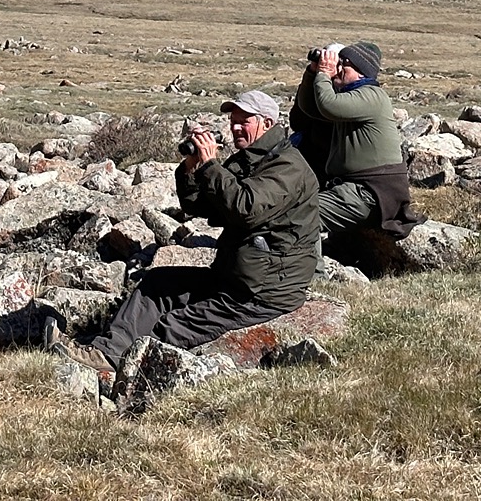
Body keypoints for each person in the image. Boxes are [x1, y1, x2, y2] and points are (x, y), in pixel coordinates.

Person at [66, 88, 320, 376]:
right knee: (157, 285)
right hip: (237, 276)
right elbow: (202, 206)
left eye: (244, 120)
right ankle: (108, 351)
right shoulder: (250, 160)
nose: (236, 126)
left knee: (175, 325)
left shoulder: (288, 167)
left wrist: (211, 165)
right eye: (233, 120)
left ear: (267, 124)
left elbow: (245, 208)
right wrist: (191, 167)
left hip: (264, 291)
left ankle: (128, 371)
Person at [291, 41, 422, 246]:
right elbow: (310, 108)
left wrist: (324, 73)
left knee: (303, 213)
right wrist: (312, 72)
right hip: (353, 188)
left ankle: (312, 274)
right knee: (297, 208)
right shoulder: (353, 97)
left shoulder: (371, 96)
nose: (339, 68)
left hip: (369, 192)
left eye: (345, 64)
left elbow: (328, 105)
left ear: (361, 72)